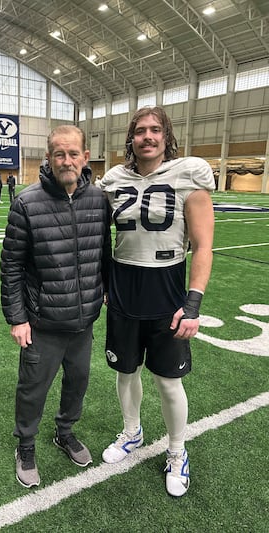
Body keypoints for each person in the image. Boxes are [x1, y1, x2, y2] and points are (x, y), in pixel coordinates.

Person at [100, 106, 215, 497]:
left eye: (155, 130)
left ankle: (177, 451)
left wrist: (194, 301)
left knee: (168, 382)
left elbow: (203, 246)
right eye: (140, 131)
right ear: (130, 138)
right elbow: (99, 235)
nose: (147, 136)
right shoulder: (114, 178)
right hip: (123, 288)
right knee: (125, 371)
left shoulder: (190, 173)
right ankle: (132, 432)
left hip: (166, 290)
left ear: (166, 136)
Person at [0, 125, 112, 489]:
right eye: (59, 154)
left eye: (73, 153)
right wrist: (18, 318)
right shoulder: (27, 203)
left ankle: (64, 432)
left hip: (83, 321)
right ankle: (26, 446)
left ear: (84, 157)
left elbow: (104, 254)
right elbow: (12, 265)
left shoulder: (98, 199)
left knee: (77, 382)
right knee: (33, 388)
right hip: (42, 322)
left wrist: (105, 290)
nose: (67, 160)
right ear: (48, 158)